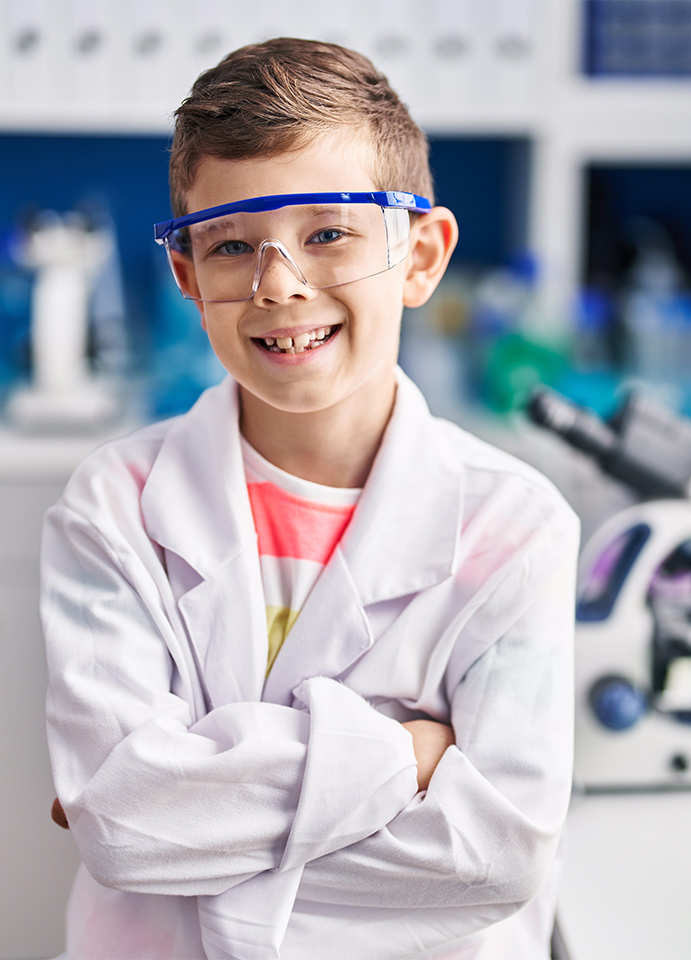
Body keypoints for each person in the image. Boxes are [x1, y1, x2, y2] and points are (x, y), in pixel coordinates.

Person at [42, 37, 579, 960]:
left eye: (328, 234)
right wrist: (407, 758)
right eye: (233, 245)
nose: (280, 284)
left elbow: (496, 856)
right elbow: (124, 829)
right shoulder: (113, 506)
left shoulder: (515, 528)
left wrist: (194, 824)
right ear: (187, 279)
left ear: (419, 256)